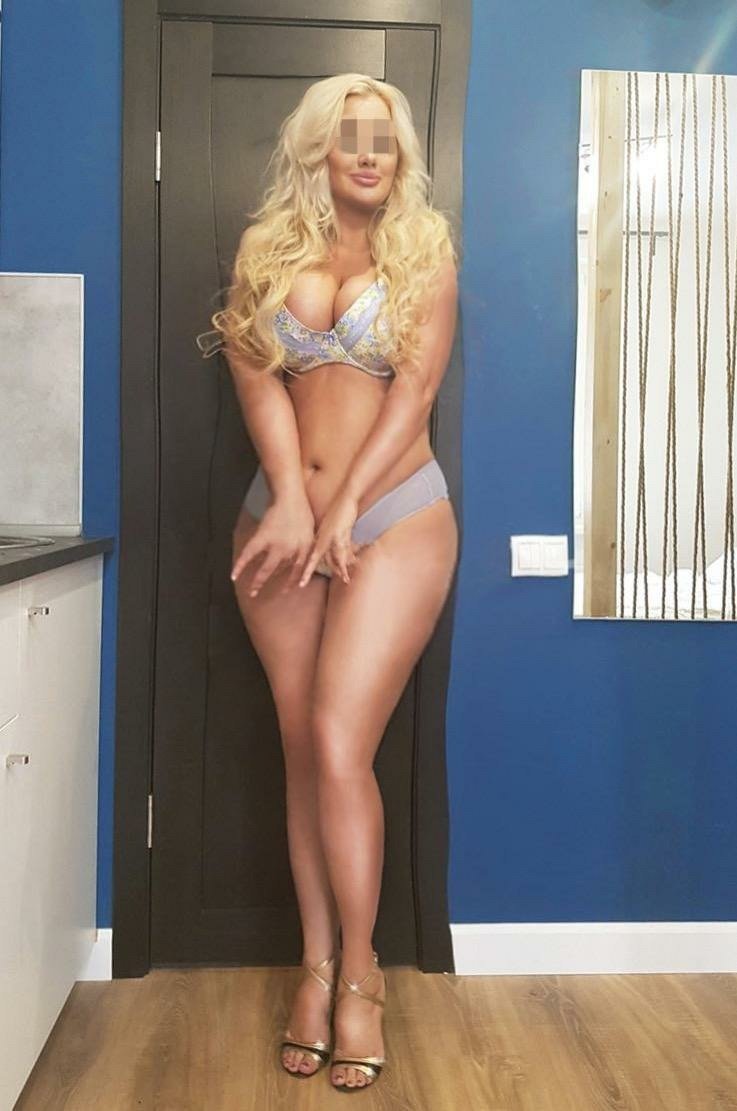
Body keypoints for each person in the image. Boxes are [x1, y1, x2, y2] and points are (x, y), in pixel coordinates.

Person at [197, 72, 459, 1092]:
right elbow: (252, 371)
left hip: (393, 518)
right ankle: (314, 966)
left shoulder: (424, 251)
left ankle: (361, 974)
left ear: (400, 155)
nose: (366, 154)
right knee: (302, 746)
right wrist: (294, 502)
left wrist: (343, 502)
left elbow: (414, 393)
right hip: (279, 520)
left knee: (343, 743)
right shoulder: (266, 250)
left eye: (383, 139)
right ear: (318, 147)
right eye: (349, 136)